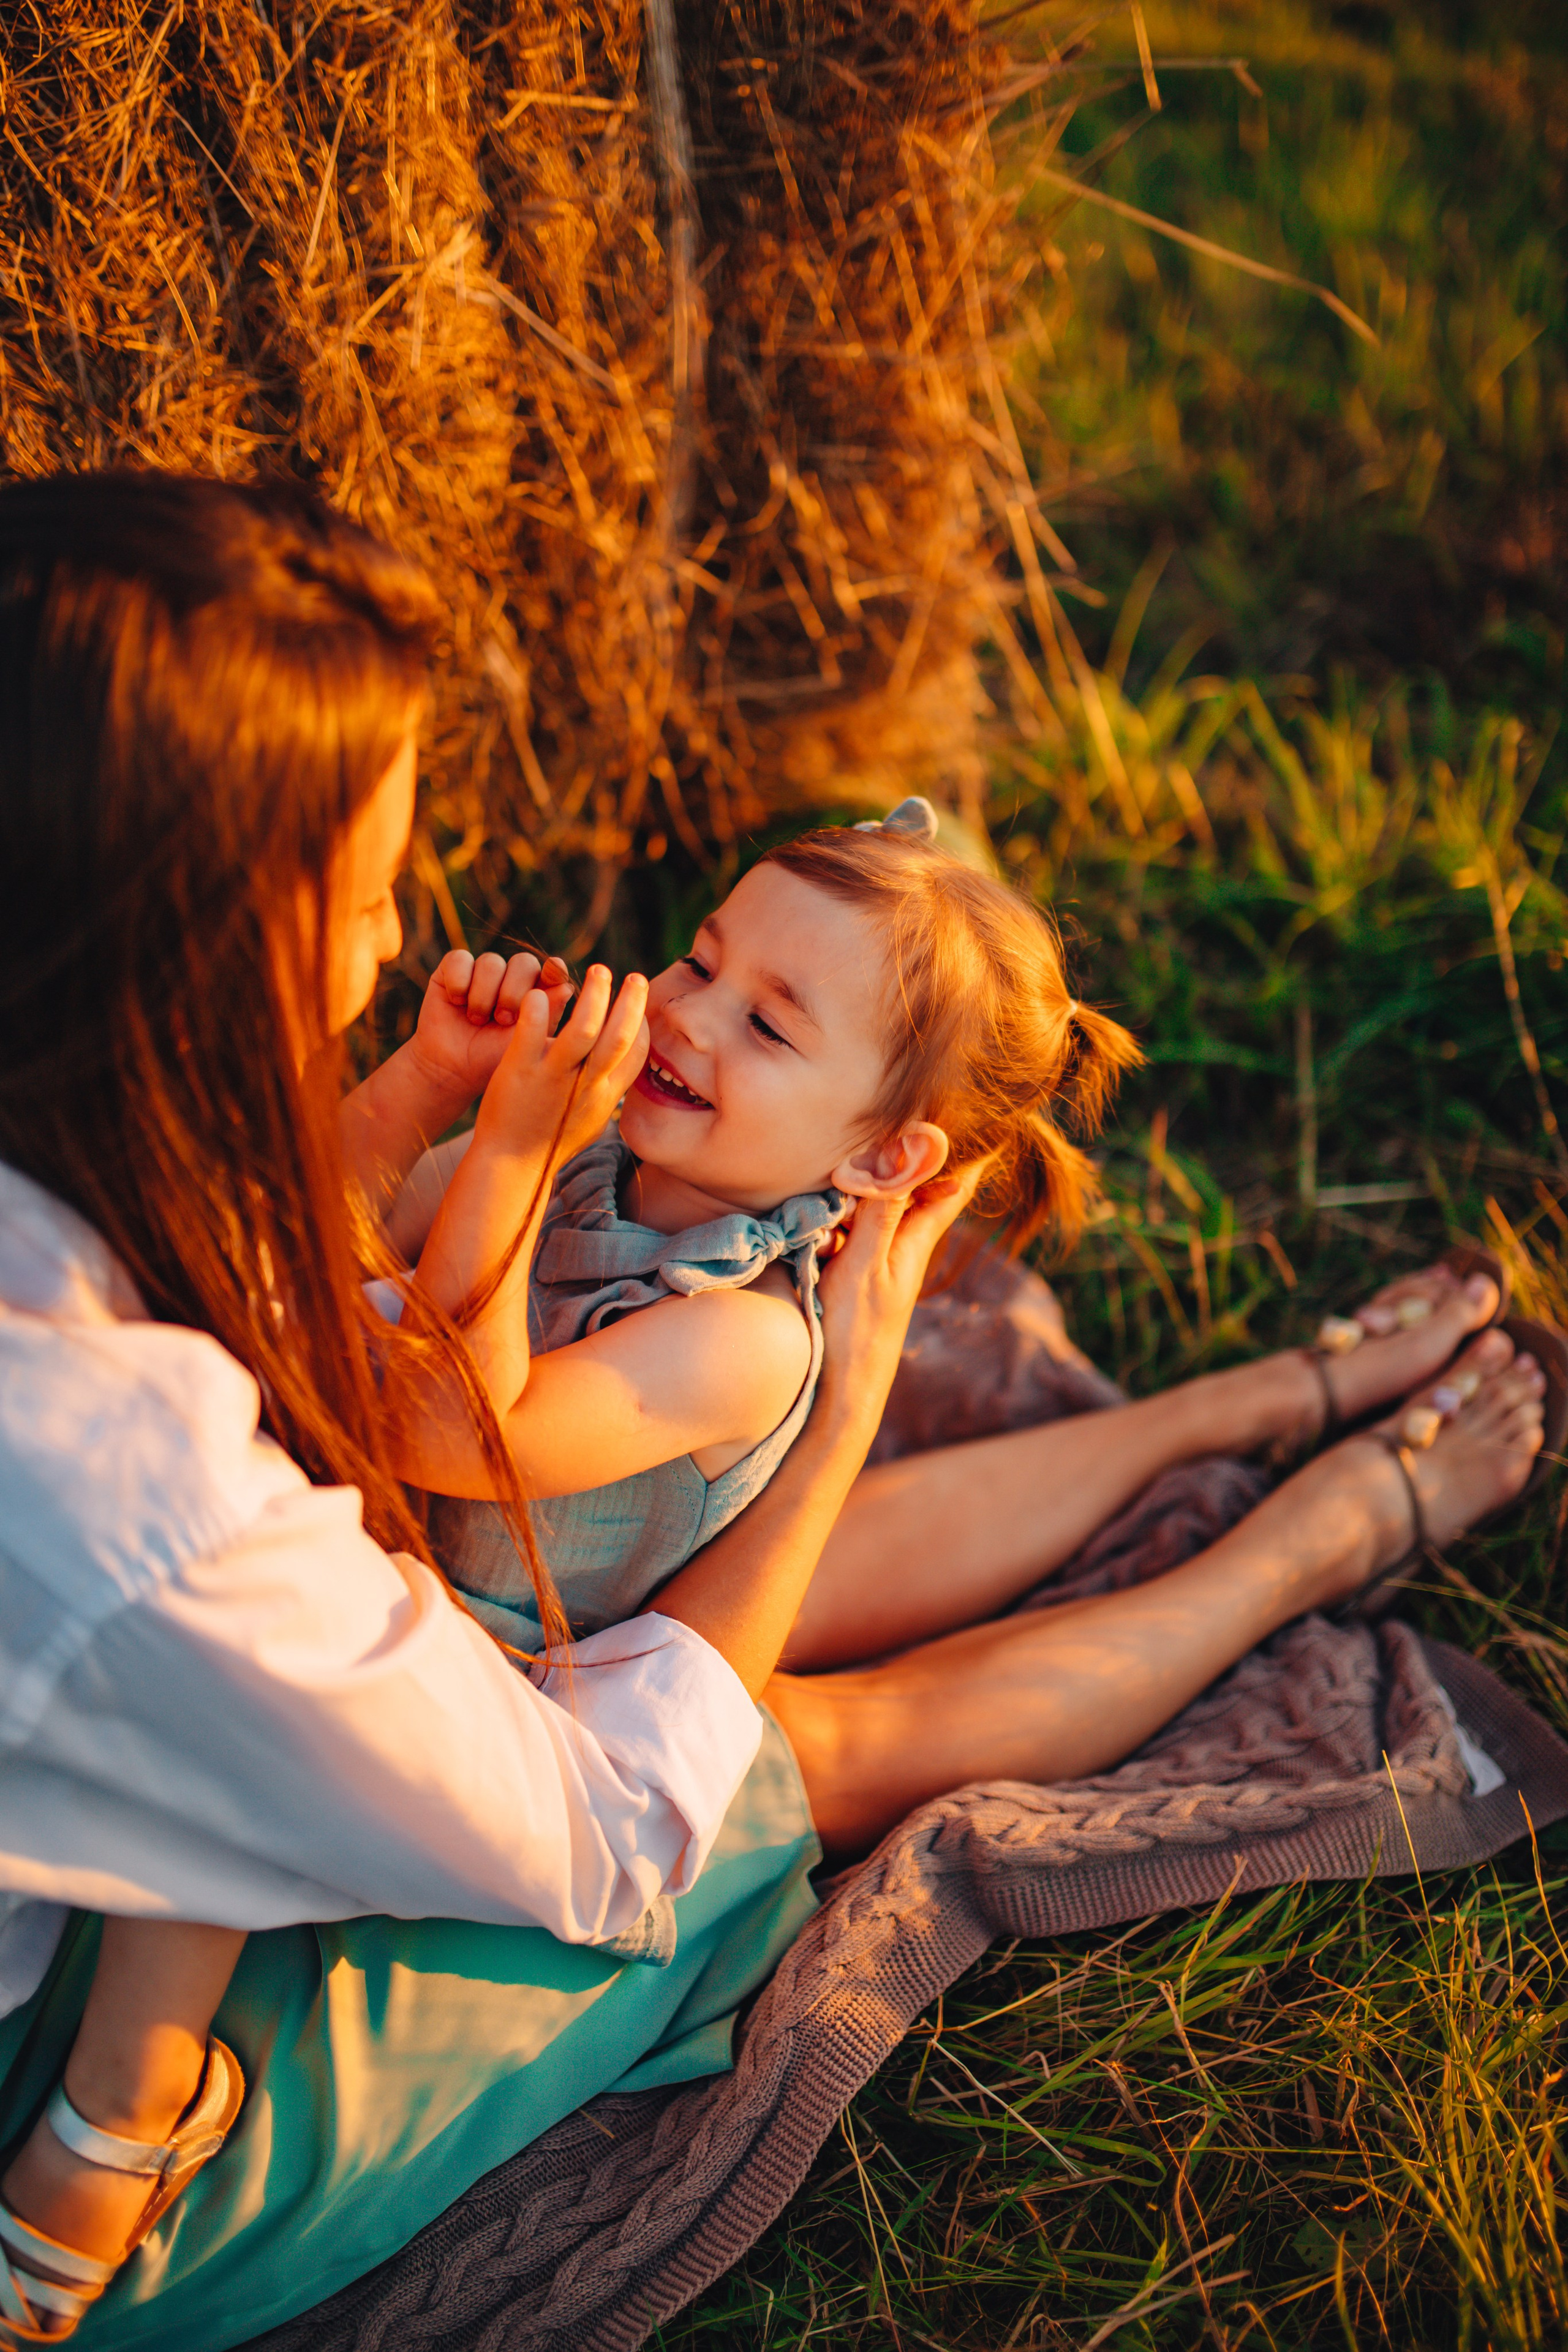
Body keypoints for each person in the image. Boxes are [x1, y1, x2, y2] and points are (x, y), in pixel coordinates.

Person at [0, 472, 1548, 2351]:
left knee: (786, 1598)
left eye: (767, 1022)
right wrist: (474, 1138)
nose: (688, 1015)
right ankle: (1314, 1506)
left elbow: (410, 1381)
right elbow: (456, 1503)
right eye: (705, 969)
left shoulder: (726, 1333)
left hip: (489, 1588)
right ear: (201, 923)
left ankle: (1281, 1430)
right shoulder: (168, 1516)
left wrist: (482, 1146)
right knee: (813, 1736)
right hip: (465, 1639)